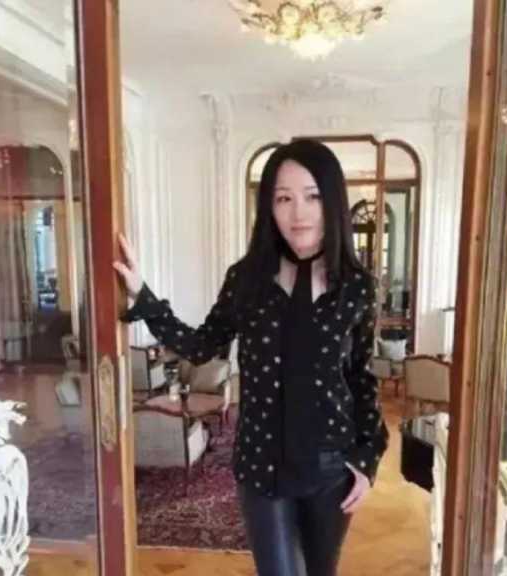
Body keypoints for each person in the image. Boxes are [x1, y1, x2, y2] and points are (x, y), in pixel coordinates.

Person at [114, 139, 389, 576]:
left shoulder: (357, 287)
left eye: (312, 196)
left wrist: (367, 459)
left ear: (332, 201)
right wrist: (144, 297)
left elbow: (361, 376)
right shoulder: (246, 280)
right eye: (284, 198)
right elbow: (203, 345)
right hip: (263, 466)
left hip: (330, 468)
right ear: (269, 207)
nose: (298, 213)